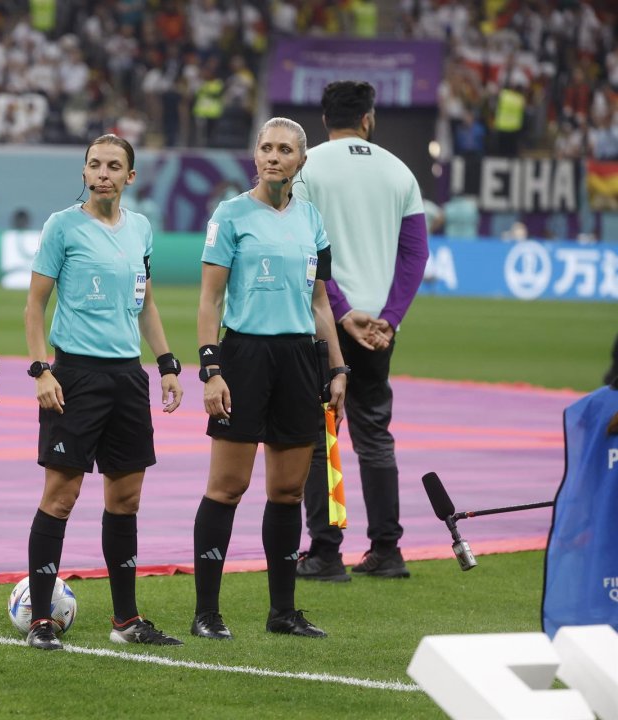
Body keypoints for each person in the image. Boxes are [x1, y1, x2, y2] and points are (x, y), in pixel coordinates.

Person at [23, 133, 184, 651]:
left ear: (130, 176)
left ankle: (126, 620)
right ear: (85, 172)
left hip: (126, 378)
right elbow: (34, 307)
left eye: (114, 166)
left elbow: (146, 304)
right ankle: (41, 620)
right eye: (95, 164)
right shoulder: (61, 226)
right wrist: (41, 370)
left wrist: (166, 364)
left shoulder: (140, 228)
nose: (103, 173)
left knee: (126, 497)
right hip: (75, 377)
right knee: (62, 496)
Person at [191, 117, 347, 641]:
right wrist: (211, 369)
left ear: (301, 161)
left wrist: (337, 366)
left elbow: (320, 302)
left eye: (284, 149)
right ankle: (207, 613)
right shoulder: (231, 215)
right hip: (245, 357)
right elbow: (211, 299)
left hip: (300, 361)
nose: (273, 156)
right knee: (228, 486)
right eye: (265, 147)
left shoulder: (312, 221)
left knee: (286, 491)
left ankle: (283, 612)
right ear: (254, 156)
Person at [293, 81, 428, 582]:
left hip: (323, 317)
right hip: (376, 326)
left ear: (324, 120)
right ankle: (387, 551)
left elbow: (305, 248)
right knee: (374, 433)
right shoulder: (400, 171)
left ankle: (326, 553)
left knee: (318, 432)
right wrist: (389, 317)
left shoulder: (308, 167)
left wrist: (343, 311)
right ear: (368, 119)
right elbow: (415, 254)